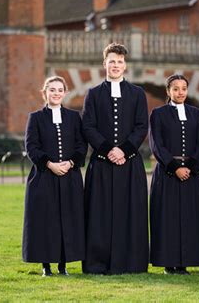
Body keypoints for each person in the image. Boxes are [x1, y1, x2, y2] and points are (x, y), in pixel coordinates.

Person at [81, 43, 149, 274]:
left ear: (125, 65)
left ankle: (131, 263)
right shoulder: (93, 94)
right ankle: (98, 263)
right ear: (105, 64)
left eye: (120, 62)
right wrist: (109, 149)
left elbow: (142, 126)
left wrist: (124, 150)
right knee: (99, 214)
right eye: (112, 62)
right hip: (101, 163)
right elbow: (88, 126)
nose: (116, 66)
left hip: (129, 163)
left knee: (130, 213)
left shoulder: (137, 94)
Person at [22, 76, 87, 277]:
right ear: (45, 93)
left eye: (60, 90)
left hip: (69, 177)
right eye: (52, 90)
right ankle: (46, 266)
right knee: (46, 221)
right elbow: (31, 146)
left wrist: (70, 163)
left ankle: (63, 265)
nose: (56, 93)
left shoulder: (74, 117)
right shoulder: (36, 117)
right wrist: (50, 164)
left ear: (65, 93)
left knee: (67, 220)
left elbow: (81, 144)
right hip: (43, 177)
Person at [149, 74, 199, 275]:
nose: (180, 92)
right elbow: (157, 144)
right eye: (175, 89)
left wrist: (190, 166)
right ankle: (168, 262)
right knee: (167, 218)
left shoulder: (196, 113)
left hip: (191, 174)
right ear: (168, 91)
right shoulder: (158, 113)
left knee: (190, 218)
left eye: (183, 88)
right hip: (167, 173)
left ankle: (184, 262)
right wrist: (175, 167)